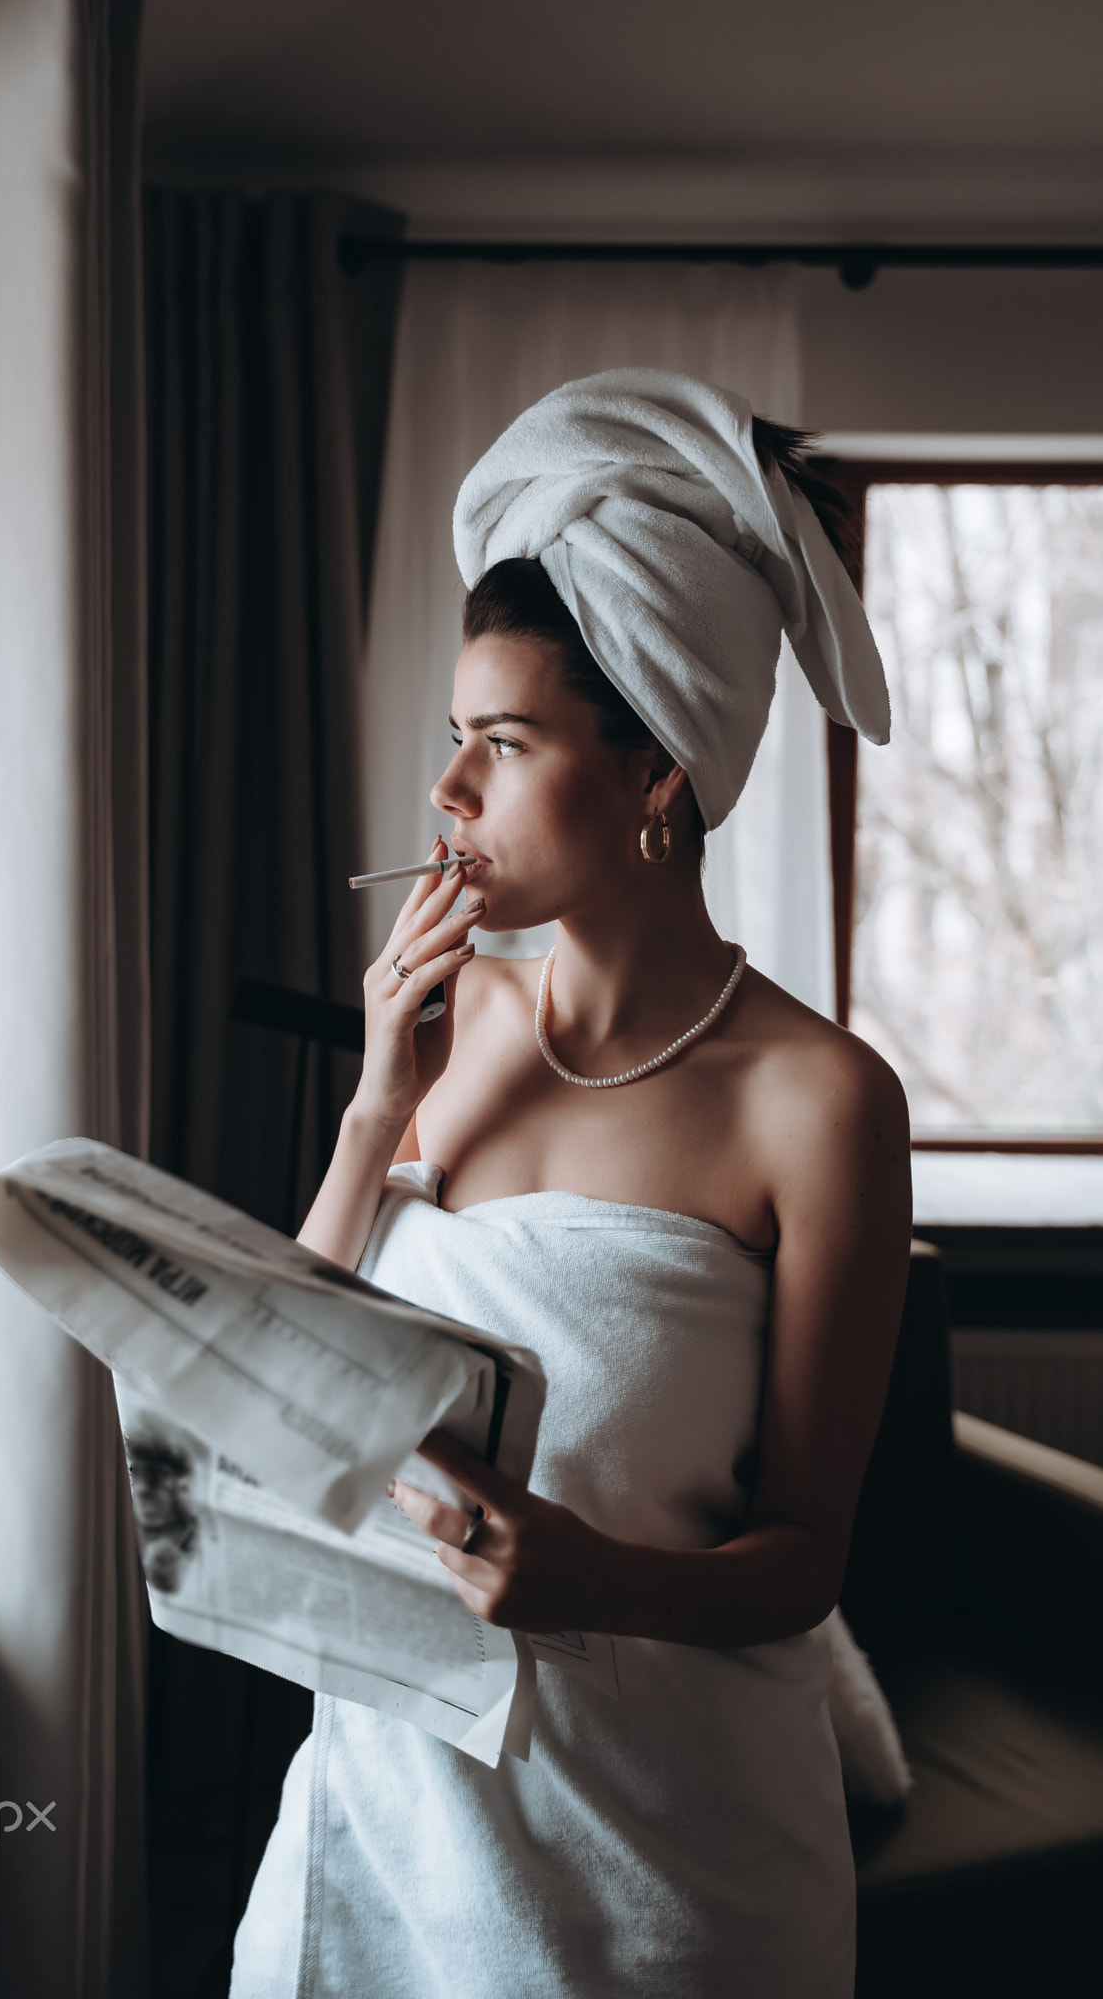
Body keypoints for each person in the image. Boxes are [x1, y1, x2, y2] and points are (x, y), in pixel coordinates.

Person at [230, 370, 912, 1998]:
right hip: (379, 1819)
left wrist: (590, 1578)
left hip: (659, 1876)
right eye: (451, 741)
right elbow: (284, 1387)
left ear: (655, 773)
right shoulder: (454, 1018)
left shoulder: (821, 1104)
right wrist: (368, 1112)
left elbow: (805, 1558)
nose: (448, 795)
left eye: (503, 744)